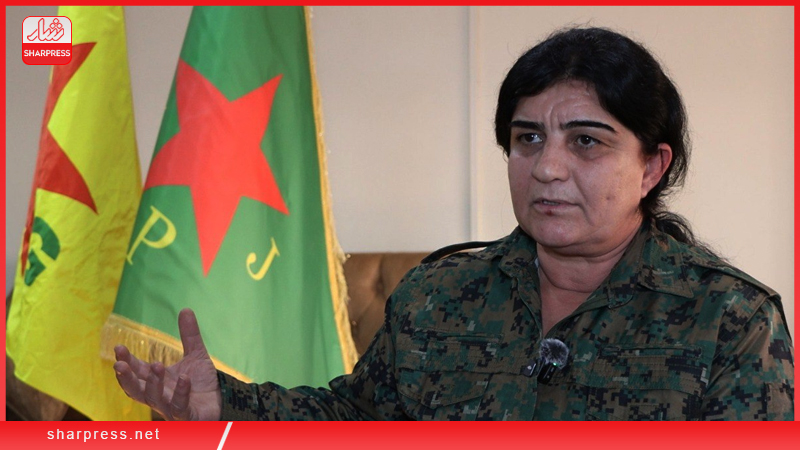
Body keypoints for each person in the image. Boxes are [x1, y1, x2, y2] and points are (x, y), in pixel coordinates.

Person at [114, 27, 794, 420]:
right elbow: (355, 420)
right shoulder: (439, 295)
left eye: (586, 141)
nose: (547, 168)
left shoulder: (731, 320)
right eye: (527, 140)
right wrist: (223, 402)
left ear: (651, 167)